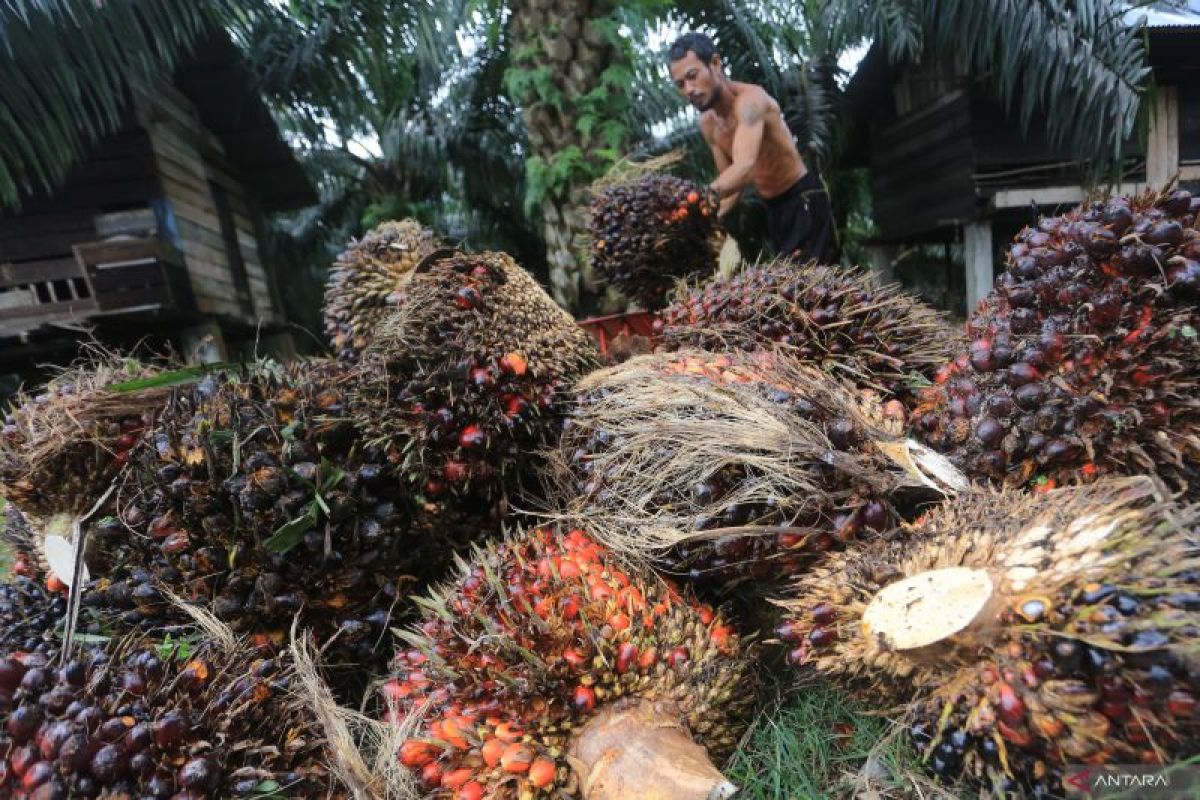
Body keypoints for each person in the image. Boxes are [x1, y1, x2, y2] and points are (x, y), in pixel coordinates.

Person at [668, 32, 834, 263]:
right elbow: (732, 185)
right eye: (680, 84)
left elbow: (744, 167)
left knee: (816, 285)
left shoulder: (751, 102)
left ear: (715, 64)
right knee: (790, 285)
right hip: (773, 208)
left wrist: (695, 200)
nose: (689, 89)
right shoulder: (709, 125)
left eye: (692, 76)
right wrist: (704, 219)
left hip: (802, 197)